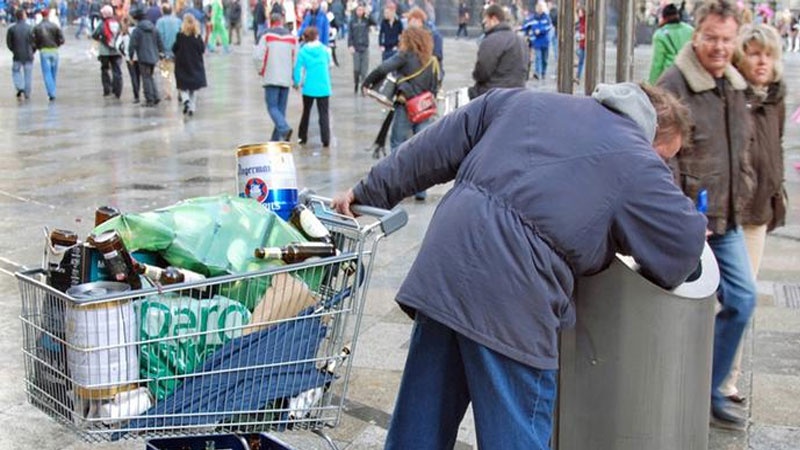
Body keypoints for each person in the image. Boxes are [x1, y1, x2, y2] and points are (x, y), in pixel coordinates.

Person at [331, 82, 705, 449]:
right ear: (653, 132)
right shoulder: (638, 160)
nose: (664, 168)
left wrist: (367, 192)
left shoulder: (525, 102)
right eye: (665, 158)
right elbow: (684, 251)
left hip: (445, 268)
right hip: (514, 298)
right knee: (515, 433)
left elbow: (432, 146)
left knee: (419, 428)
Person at [657, 0, 756, 431]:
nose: (718, 47)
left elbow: (743, 148)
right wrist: (679, 214)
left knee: (743, 298)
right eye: (711, 37)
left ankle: (708, 388)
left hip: (726, 216)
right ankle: (673, 389)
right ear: (696, 35)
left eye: (726, 39)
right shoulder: (674, 83)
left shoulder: (734, 83)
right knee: (675, 312)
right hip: (690, 220)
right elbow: (660, 156)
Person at [721, 22, 787, 407]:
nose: (761, 61)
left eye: (768, 54)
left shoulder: (776, 96)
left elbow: (773, 146)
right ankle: (710, 375)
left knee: (742, 301)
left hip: (758, 213)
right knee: (730, 298)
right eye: (754, 53)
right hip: (727, 212)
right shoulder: (730, 94)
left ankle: (726, 380)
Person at [362, 26, 439, 200]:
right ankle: (421, 190)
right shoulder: (432, 60)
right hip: (425, 109)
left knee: (398, 145)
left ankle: (397, 186)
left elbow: (383, 69)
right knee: (422, 149)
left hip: (406, 107)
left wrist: (367, 82)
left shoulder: (405, 56)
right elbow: (435, 84)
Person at [468, 4, 526, 99]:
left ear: (494, 19)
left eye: (486, 22)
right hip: (518, 94)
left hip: (494, 95)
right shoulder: (521, 41)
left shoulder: (491, 40)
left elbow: (482, 72)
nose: (484, 25)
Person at [254, 12, 297, 141]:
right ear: (282, 21)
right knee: (280, 110)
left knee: (272, 107)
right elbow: (295, 58)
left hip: (271, 76)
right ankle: (275, 140)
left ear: (270, 22)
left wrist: (260, 70)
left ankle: (284, 129)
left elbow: (258, 57)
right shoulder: (292, 38)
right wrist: (294, 75)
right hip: (285, 77)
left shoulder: (266, 36)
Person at [293, 26, 332, 148]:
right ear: (317, 36)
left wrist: (296, 82)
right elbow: (330, 64)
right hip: (323, 86)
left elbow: (298, 68)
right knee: (323, 114)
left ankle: (302, 137)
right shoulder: (324, 50)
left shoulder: (303, 51)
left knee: (306, 112)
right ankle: (326, 139)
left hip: (309, 86)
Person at [648, 3, 694, 84]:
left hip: (670, 78)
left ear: (664, 18)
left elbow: (657, 63)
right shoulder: (690, 30)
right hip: (689, 76)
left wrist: (651, 84)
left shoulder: (660, 35)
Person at [172, 12, 207, 116]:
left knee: (182, 87)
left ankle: (185, 100)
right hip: (195, 65)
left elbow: (174, 49)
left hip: (182, 65)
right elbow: (202, 49)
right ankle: (192, 108)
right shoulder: (197, 36)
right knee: (193, 88)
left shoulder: (180, 36)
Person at [129, 6, 164, 106]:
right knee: (150, 76)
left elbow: (132, 45)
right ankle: (156, 96)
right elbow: (159, 41)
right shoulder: (153, 27)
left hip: (143, 57)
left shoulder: (137, 30)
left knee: (146, 78)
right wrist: (161, 53)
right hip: (154, 56)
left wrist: (131, 57)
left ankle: (150, 99)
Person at [31, 8, 63, 101]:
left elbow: (33, 42)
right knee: (53, 72)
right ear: (48, 15)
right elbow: (62, 39)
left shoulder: (37, 28)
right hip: (54, 51)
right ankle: (52, 90)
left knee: (47, 73)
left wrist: (34, 50)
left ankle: (51, 92)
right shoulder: (55, 26)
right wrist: (57, 45)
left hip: (44, 51)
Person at [94, 4, 123, 98]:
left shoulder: (102, 24)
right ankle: (117, 90)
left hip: (104, 51)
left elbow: (94, 35)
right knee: (117, 70)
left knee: (105, 69)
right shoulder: (117, 22)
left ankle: (107, 89)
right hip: (116, 50)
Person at [7, 9, 35, 101]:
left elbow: (9, 43)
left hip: (17, 55)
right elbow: (34, 42)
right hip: (28, 55)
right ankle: (27, 93)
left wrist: (14, 50)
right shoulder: (30, 28)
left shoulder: (11, 29)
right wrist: (32, 51)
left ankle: (20, 87)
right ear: (23, 16)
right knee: (28, 75)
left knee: (16, 72)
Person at [156, 3, 182, 101]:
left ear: (162, 11)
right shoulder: (178, 21)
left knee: (166, 74)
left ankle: (168, 93)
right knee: (178, 72)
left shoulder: (160, 22)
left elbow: (158, 36)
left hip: (165, 51)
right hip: (178, 52)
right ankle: (180, 91)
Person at [521, 1, 551, 81]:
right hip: (536, 42)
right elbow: (526, 26)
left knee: (545, 59)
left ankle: (543, 72)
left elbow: (548, 27)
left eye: (540, 7)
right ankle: (537, 73)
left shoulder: (546, 18)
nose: (539, 9)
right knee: (538, 57)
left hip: (545, 41)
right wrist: (520, 28)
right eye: (538, 7)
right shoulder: (533, 18)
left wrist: (540, 30)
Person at [348, 1, 372, 94]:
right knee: (356, 69)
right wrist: (350, 45)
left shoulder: (366, 20)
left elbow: (374, 22)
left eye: (362, 10)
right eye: (358, 10)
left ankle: (363, 87)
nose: (360, 12)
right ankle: (356, 83)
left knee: (364, 70)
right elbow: (350, 34)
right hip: (356, 47)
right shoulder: (352, 21)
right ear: (356, 11)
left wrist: (368, 14)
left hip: (365, 47)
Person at [117, 16, 141, 103]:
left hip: (129, 58)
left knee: (133, 76)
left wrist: (124, 54)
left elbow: (118, 45)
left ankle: (136, 95)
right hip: (138, 56)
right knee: (138, 76)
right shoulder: (137, 30)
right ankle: (140, 91)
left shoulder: (123, 33)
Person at [574, 5, 586, 83]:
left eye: (580, 12)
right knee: (580, 60)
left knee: (581, 60)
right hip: (582, 43)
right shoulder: (580, 22)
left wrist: (584, 36)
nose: (579, 14)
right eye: (578, 12)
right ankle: (578, 76)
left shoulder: (585, 21)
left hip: (585, 44)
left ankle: (579, 76)